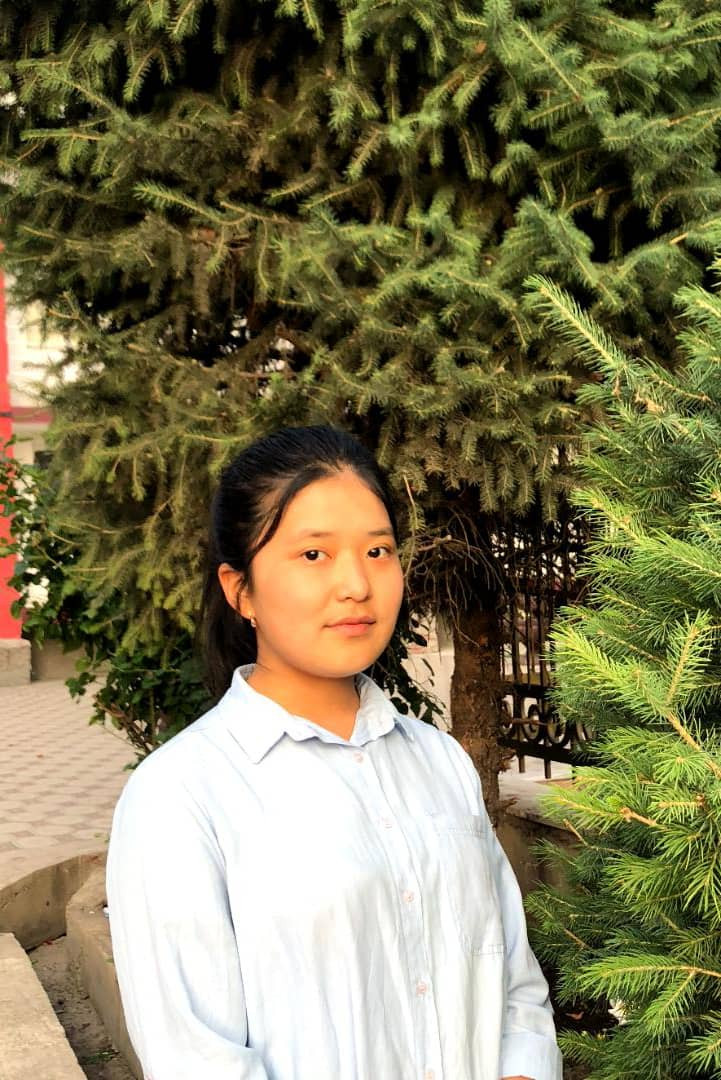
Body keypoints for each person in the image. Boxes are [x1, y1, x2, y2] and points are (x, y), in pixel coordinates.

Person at [105, 424, 562, 1080]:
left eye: (377, 551)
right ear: (240, 590)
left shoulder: (440, 762)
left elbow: (513, 985)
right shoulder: (181, 796)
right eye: (314, 554)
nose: (356, 584)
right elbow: (196, 1058)